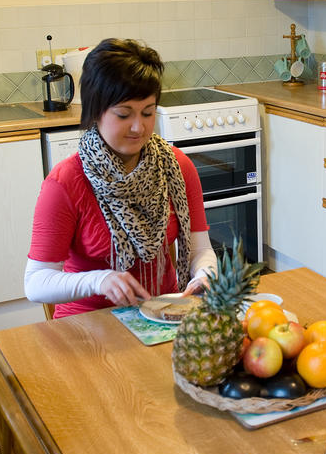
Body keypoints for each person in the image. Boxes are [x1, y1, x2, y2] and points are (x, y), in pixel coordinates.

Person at [24, 38, 216, 318]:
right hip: (88, 323)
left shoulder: (176, 167)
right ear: (95, 111)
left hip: (163, 313)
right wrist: (98, 279)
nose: (139, 127)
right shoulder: (66, 182)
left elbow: (201, 250)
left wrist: (205, 275)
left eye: (148, 113)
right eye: (124, 114)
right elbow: (36, 282)